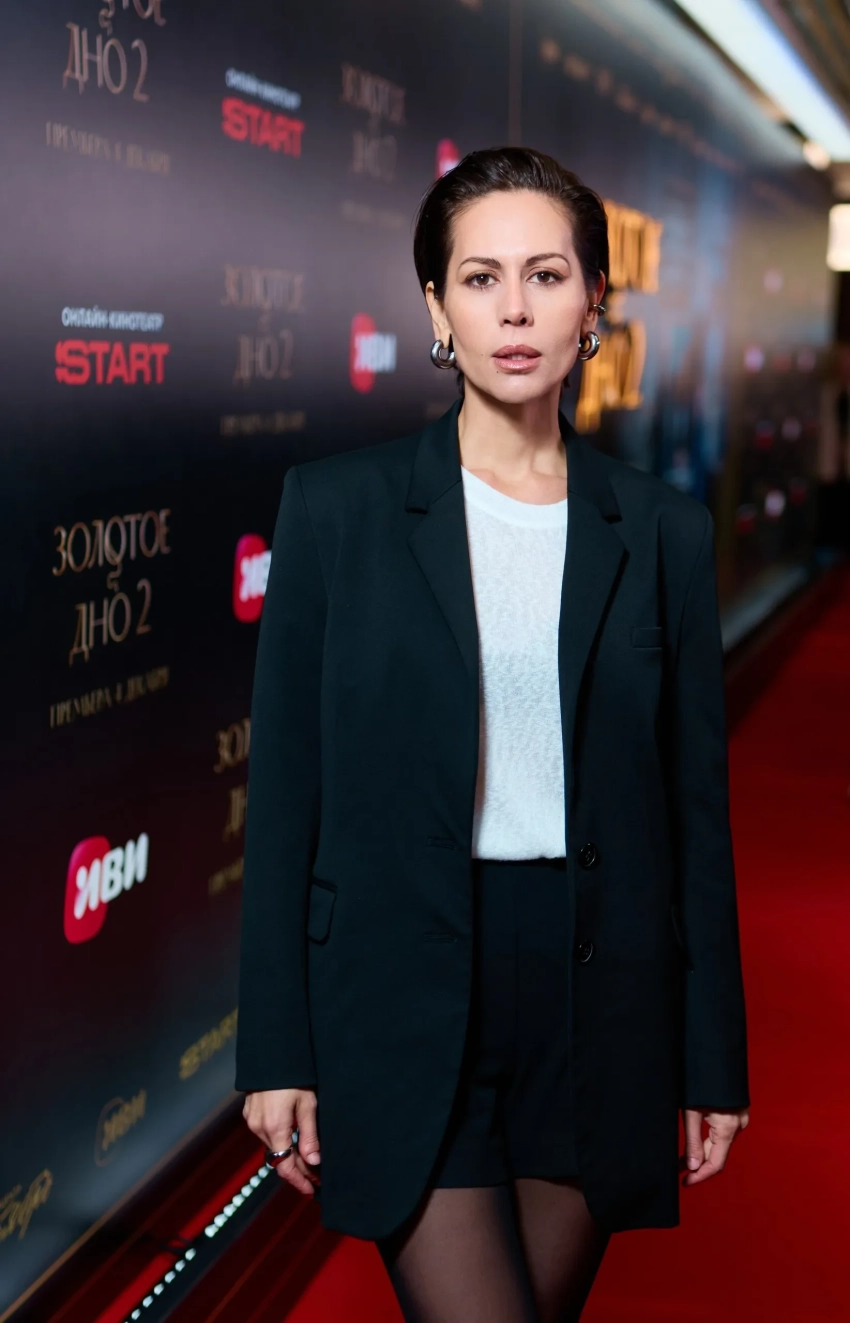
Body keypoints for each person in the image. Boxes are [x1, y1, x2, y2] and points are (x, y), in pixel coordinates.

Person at [235, 147, 751, 1323]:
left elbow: (694, 817)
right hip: (401, 988)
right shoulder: (338, 511)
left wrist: (712, 1057)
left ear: (593, 304)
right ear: (436, 308)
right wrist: (274, 1046)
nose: (513, 310)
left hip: (599, 1000)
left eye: (545, 275)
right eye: (479, 279)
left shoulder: (660, 532)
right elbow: (287, 797)